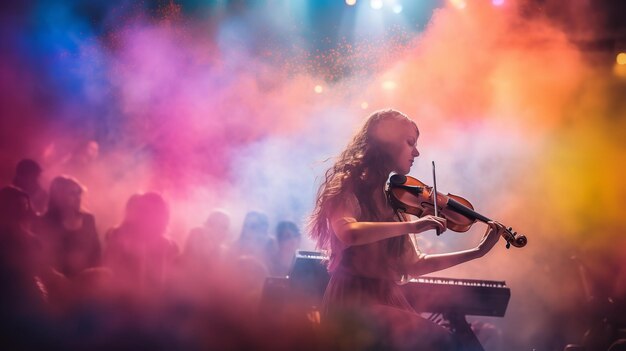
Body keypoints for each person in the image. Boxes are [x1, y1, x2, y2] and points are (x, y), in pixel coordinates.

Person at [308, 109, 506, 350]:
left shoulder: (394, 201)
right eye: (410, 142)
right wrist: (412, 225)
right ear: (386, 142)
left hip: (386, 299)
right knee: (447, 343)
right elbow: (348, 232)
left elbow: (413, 265)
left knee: (452, 343)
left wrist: (477, 252)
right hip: (354, 303)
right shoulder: (349, 185)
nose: (417, 152)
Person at [35, 176, 101, 278]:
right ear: (59, 196)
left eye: (79, 193)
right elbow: (42, 258)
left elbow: (96, 251)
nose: (78, 197)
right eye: (72, 193)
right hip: (57, 283)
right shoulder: (46, 222)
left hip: (86, 281)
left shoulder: (88, 219)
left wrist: (94, 276)